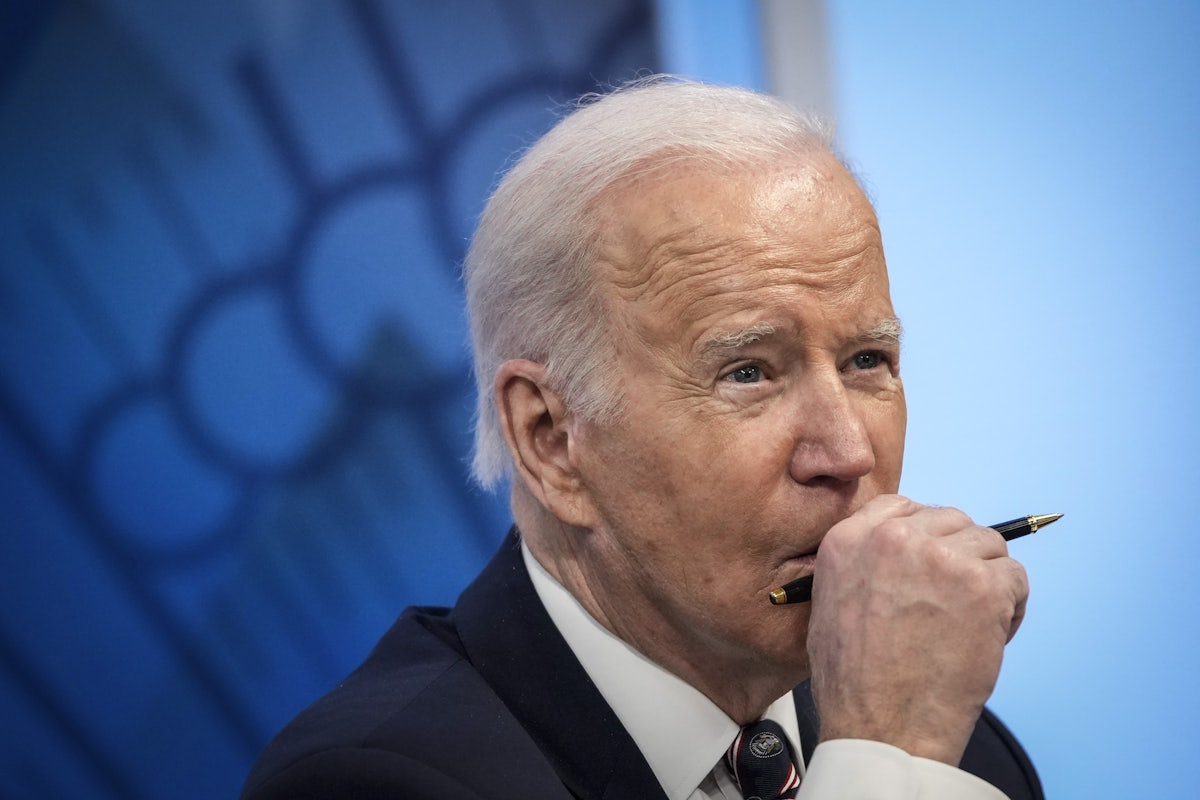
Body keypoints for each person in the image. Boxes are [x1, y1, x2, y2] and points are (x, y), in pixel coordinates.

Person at [242, 77, 1043, 799]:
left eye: (867, 359)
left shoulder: (966, 761)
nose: (846, 455)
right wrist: (885, 766)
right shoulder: (372, 782)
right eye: (748, 373)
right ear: (551, 438)